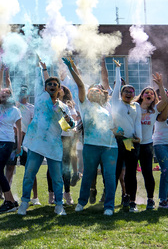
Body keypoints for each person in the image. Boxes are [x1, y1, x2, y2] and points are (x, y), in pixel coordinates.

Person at [61, 58, 118, 216]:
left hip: (110, 147)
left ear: (102, 94)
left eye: (97, 90)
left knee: (109, 176)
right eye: (91, 90)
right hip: (91, 146)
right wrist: (72, 68)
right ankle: (81, 202)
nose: (93, 91)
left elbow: (113, 126)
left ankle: (109, 206)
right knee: (88, 175)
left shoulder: (108, 106)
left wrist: (121, 134)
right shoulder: (84, 104)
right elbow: (80, 84)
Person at [17, 59, 74, 216]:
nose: (52, 86)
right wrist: (42, 68)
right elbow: (40, 80)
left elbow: (66, 127)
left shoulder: (63, 107)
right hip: (36, 144)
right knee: (29, 173)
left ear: (59, 88)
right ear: (45, 87)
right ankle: (24, 203)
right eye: (49, 84)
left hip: (53, 145)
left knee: (57, 178)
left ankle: (59, 205)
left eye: (55, 84)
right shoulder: (40, 97)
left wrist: (69, 121)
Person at [133, 72, 168, 211]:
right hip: (133, 144)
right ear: (142, 96)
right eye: (147, 93)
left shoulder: (154, 110)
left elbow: (165, 102)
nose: (149, 94)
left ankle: (150, 199)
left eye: (152, 94)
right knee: (130, 173)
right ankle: (130, 200)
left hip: (147, 146)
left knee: (148, 173)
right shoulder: (134, 107)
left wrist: (160, 85)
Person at [111, 60, 143, 212]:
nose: (129, 93)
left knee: (131, 172)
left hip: (131, 141)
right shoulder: (116, 103)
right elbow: (117, 86)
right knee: (116, 171)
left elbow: (137, 122)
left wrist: (139, 137)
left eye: (131, 92)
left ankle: (131, 201)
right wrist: (118, 69)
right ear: (121, 93)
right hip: (118, 141)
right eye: (126, 91)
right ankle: (110, 202)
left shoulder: (136, 106)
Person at [0, 65, 23, 213]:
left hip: (7, 142)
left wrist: (18, 147)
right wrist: (1, 72)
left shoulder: (15, 110)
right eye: (1, 95)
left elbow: (19, 130)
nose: (2, 96)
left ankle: (9, 201)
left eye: (5, 95)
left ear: (10, 97)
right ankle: (11, 201)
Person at [46, 84, 78, 205]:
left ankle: (67, 193)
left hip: (67, 138)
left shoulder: (70, 106)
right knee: (52, 167)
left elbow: (74, 122)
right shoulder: (51, 104)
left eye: (62, 88)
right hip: (54, 138)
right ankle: (51, 194)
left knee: (66, 168)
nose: (60, 89)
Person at [16, 84, 40, 206]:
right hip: (13, 139)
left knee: (30, 169)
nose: (22, 94)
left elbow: (34, 125)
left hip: (26, 140)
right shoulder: (14, 106)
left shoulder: (32, 108)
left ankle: (35, 197)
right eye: (20, 91)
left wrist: (26, 133)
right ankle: (5, 195)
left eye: (24, 91)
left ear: (28, 94)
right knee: (9, 168)